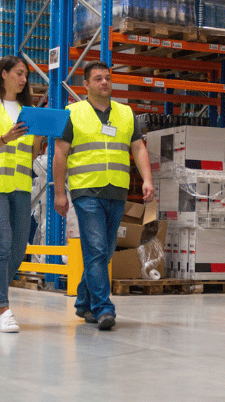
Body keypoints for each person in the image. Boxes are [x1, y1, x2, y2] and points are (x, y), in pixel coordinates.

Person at [53, 61, 154, 330]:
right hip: (86, 190)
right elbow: (60, 154)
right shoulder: (71, 113)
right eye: (98, 79)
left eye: (108, 78)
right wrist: (59, 193)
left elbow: (138, 148)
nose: (104, 83)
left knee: (105, 251)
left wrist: (147, 179)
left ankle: (83, 303)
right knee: (96, 248)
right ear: (85, 85)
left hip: (117, 190)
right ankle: (103, 308)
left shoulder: (125, 113)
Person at [0, 57, 42, 333]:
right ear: (4, 74)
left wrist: (38, 138)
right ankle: (3, 308)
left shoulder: (29, 110)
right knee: (3, 243)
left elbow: (31, 155)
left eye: (26, 75)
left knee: (19, 246)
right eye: (19, 73)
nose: (24, 79)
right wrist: (6, 138)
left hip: (21, 184)